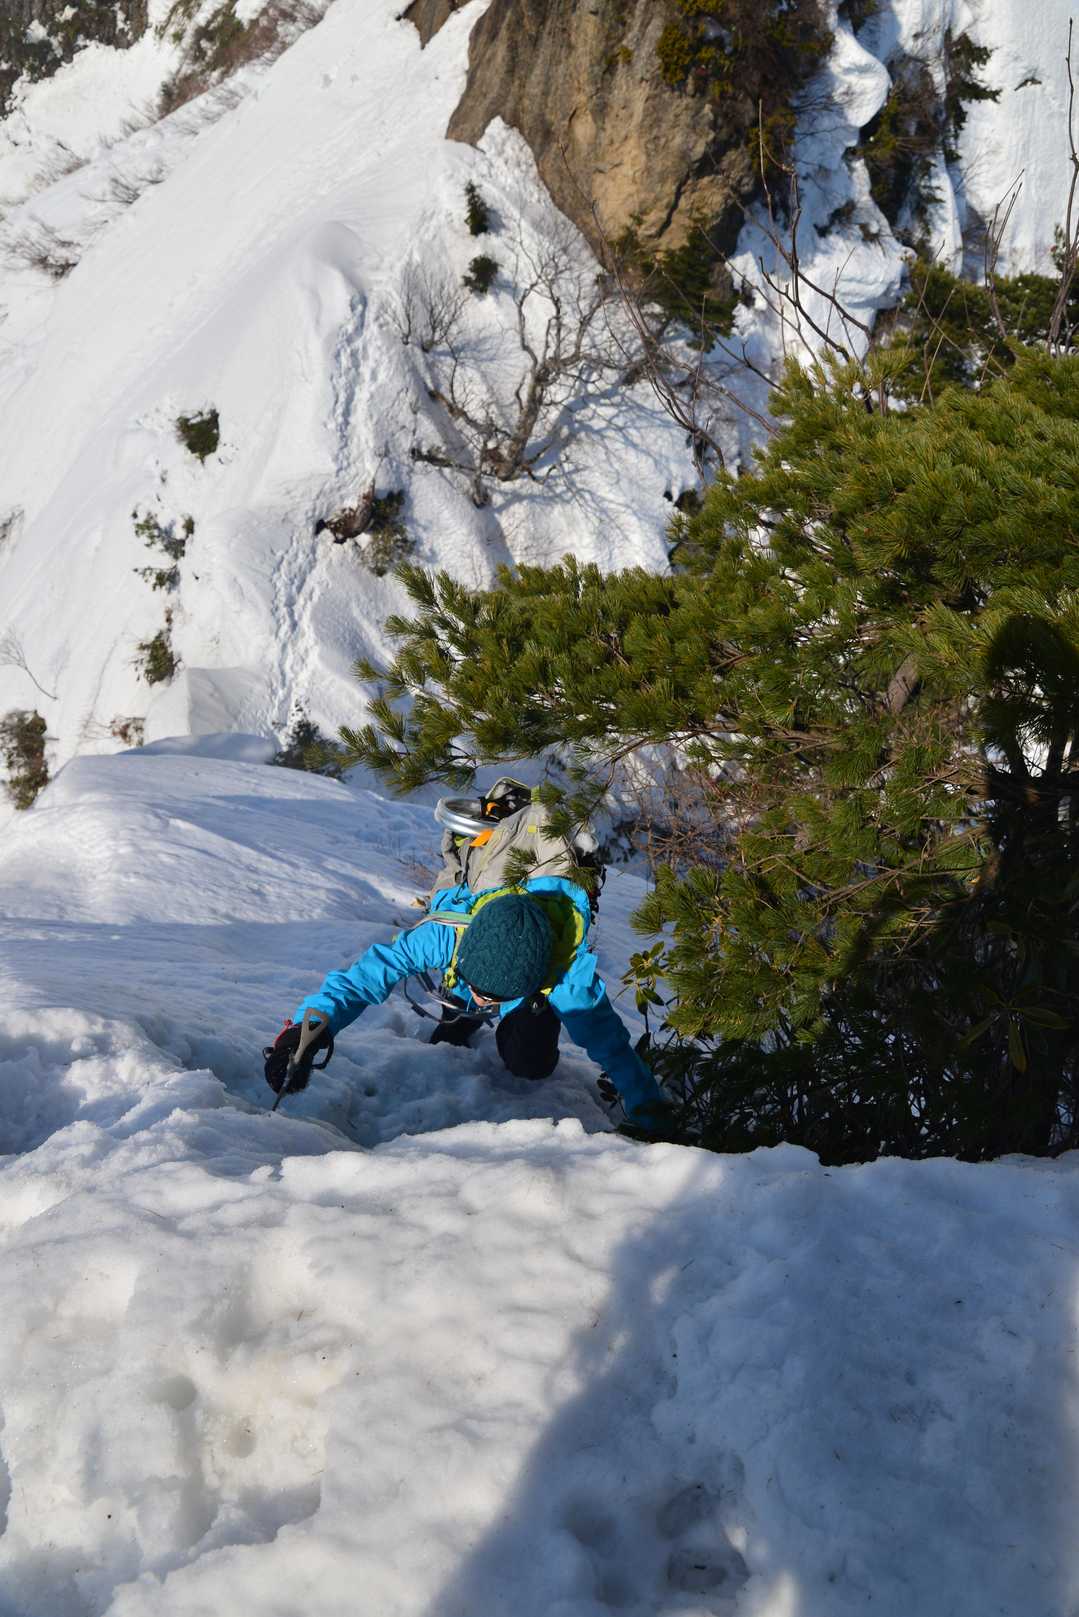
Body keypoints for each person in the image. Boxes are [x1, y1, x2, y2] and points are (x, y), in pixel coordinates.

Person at [263, 871, 677, 1136]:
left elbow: (612, 1048)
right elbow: (363, 978)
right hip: (465, 970)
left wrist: (651, 1115)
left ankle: (523, 1015)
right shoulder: (446, 934)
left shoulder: (569, 981)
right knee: (455, 1017)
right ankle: (462, 1011)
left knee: (531, 1064)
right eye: (479, 987)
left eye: (491, 996)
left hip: (528, 998)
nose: (484, 999)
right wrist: (305, 1032)